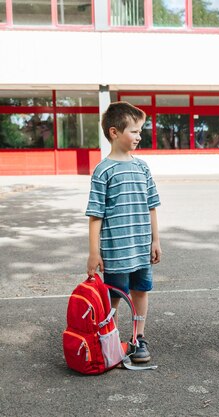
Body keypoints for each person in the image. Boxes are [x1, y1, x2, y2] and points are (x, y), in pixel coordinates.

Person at [86, 101, 162, 364]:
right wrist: (94, 253)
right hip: (116, 249)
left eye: (141, 131)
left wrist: (156, 240)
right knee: (115, 296)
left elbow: (152, 205)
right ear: (114, 133)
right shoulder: (103, 170)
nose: (139, 136)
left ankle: (138, 338)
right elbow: (96, 215)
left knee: (141, 291)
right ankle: (113, 338)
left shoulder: (142, 168)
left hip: (141, 246)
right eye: (134, 131)